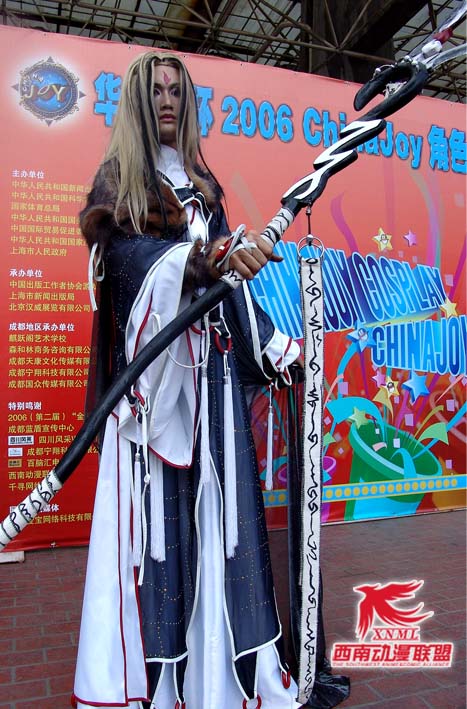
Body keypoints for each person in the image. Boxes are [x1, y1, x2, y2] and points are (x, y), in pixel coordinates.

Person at [73, 51, 349, 709]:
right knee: (163, 541)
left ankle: (225, 678)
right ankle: (159, 685)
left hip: (213, 388)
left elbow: (229, 289)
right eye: (156, 91)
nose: (167, 100)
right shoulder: (118, 186)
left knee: (222, 531)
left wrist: (276, 345)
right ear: (138, 102)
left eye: (177, 91)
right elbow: (130, 265)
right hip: (154, 399)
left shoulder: (204, 186)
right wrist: (201, 259)